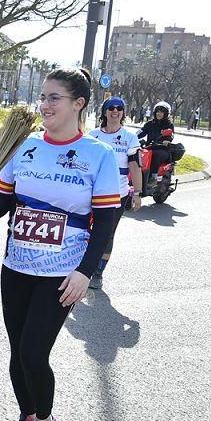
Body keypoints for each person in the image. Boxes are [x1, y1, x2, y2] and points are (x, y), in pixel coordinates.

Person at [0, 68, 120, 421]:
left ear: (78, 104)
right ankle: (27, 418)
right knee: (17, 352)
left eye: (54, 98)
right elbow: (6, 201)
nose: (45, 105)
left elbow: (106, 220)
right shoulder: (26, 147)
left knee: (35, 352)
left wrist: (85, 271)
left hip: (62, 272)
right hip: (16, 265)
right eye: (44, 97)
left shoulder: (97, 155)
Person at [87, 96, 142, 289]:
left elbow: (135, 166)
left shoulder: (129, 137)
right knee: (83, 230)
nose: (115, 111)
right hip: (89, 194)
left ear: (123, 113)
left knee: (107, 234)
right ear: (105, 112)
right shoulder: (93, 135)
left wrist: (137, 193)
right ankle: (80, 266)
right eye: (111, 108)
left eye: (119, 108)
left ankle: (98, 272)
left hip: (116, 195)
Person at [137, 101, 180, 187]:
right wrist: (132, 137)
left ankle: (154, 178)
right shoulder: (150, 124)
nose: (159, 114)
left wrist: (167, 140)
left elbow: (171, 134)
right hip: (149, 147)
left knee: (155, 155)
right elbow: (141, 132)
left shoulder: (168, 124)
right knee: (136, 155)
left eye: (161, 112)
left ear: (166, 113)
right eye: (157, 111)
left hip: (162, 149)